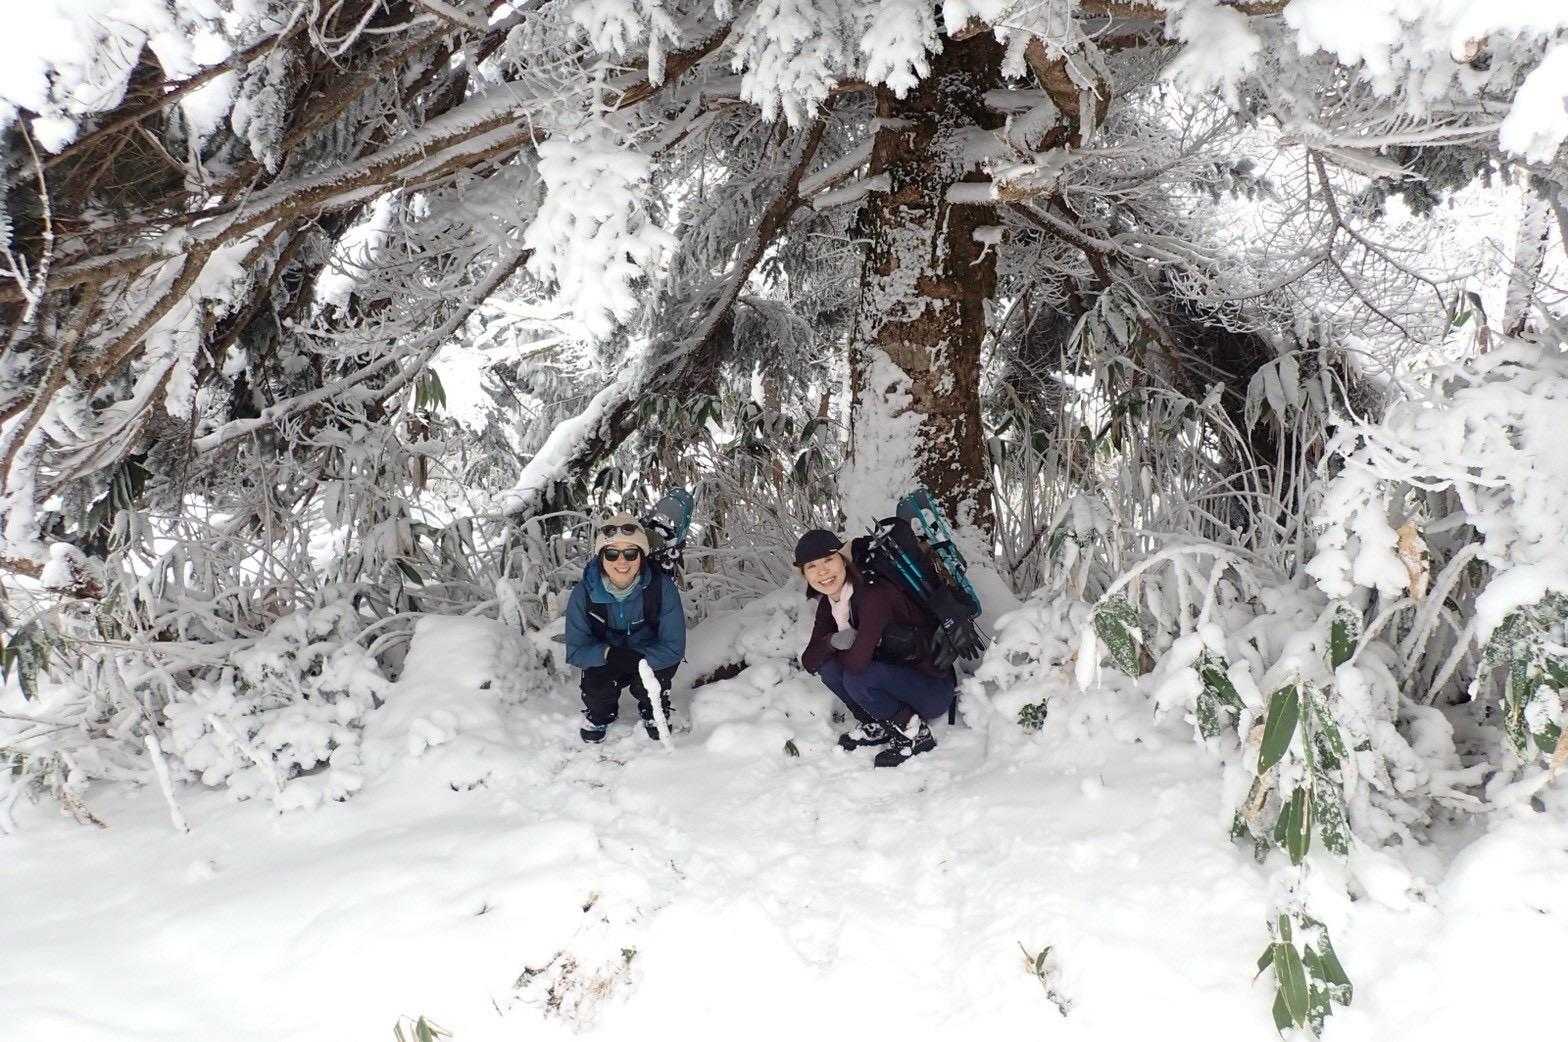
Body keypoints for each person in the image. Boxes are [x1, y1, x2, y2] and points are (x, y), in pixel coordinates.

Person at [794, 529, 956, 767]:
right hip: (893, 681)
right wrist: (832, 642)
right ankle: (876, 723)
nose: (822, 571)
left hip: (931, 689)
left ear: (844, 559)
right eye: (811, 566)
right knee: (828, 667)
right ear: (805, 574)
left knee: (856, 677)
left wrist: (843, 649)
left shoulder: (873, 594)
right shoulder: (830, 604)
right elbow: (810, 661)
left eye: (828, 559)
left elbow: (857, 665)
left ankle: (916, 733)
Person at [564, 513, 686, 743]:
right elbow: (576, 649)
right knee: (597, 687)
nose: (622, 561)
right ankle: (600, 714)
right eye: (612, 553)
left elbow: (674, 647)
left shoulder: (661, 589)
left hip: (648, 656)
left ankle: (653, 709)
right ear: (601, 557)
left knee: (655, 679)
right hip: (606, 657)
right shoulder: (584, 593)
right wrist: (608, 654)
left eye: (630, 553)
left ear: (641, 556)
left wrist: (640, 659)